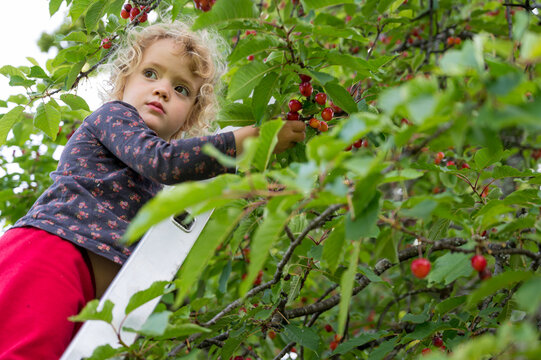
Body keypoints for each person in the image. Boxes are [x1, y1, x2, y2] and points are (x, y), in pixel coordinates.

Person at [0, 21, 305, 359]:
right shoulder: (113, 117)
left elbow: (190, 198)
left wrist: (262, 188)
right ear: (123, 82)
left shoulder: (157, 178)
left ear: (190, 118)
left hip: (91, 300)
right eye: (150, 73)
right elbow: (167, 162)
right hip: (49, 254)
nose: (162, 90)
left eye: (182, 89)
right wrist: (256, 138)